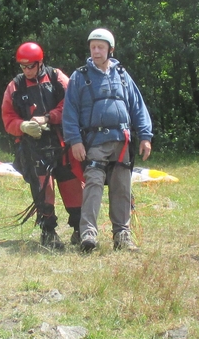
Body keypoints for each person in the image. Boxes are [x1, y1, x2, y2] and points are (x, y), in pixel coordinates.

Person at [62, 28, 153, 252]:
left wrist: (145, 136)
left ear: (110, 49)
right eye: (93, 47)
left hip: (121, 142)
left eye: (100, 47)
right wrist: (75, 141)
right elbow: (69, 112)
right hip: (94, 143)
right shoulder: (79, 77)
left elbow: (137, 106)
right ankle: (88, 234)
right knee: (93, 184)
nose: (96, 51)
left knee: (122, 187)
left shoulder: (122, 75)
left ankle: (122, 235)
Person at [2, 42, 84, 249]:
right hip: (33, 147)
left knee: (72, 186)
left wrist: (48, 118)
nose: (27, 70)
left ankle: (80, 228)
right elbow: (8, 118)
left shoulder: (57, 78)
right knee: (42, 188)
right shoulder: (15, 86)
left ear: (40, 63)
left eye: (31, 66)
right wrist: (23, 126)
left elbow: (71, 104)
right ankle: (48, 232)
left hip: (61, 142)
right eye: (23, 66)